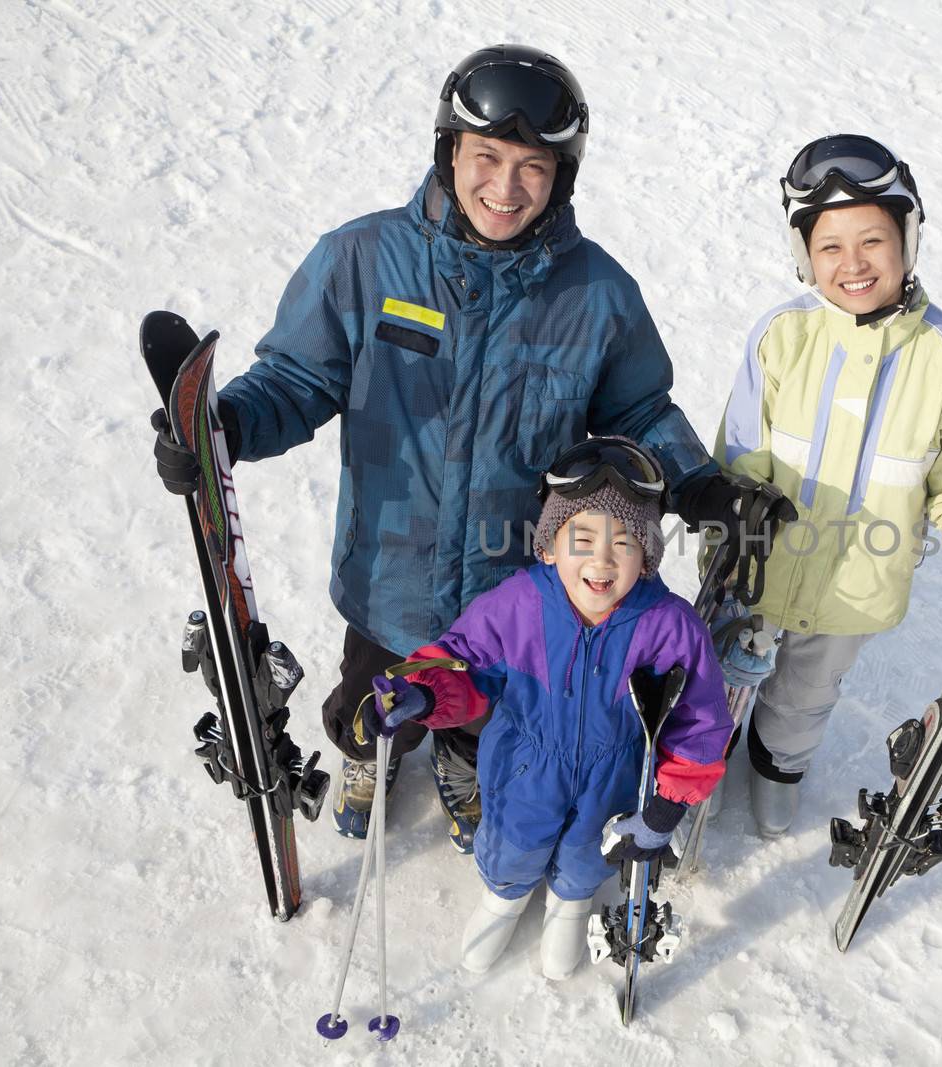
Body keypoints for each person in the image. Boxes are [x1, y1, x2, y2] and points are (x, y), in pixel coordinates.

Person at [150, 44, 789, 841]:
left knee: (486, 707)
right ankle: (372, 754)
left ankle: (464, 764)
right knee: (371, 696)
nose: (506, 187)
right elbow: (297, 379)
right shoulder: (362, 260)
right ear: (449, 148)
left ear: (562, 179)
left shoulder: (596, 295)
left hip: (513, 591)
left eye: (534, 167)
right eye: (486, 156)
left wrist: (698, 485)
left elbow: (639, 410)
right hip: (389, 575)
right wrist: (228, 428)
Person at [709, 134, 942, 837]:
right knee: (717, 676)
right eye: (830, 246)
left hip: (855, 587)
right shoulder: (781, 337)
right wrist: (733, 524)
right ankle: (697, 769)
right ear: (805, 255)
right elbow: (740, 453)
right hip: (758, 573)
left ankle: (778, 763)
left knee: (807, 691)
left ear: (908, 240)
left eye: (873, 241)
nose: (853, 264)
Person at [364, 437, 732, 978]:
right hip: (525, 762)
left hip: (614, 770)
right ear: (551, 544)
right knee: (514, 837)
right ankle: (504, 898)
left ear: (648, 555)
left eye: (624, 542)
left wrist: (667, 805)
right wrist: (421, 693)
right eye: (581, 538)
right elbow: (463, 659)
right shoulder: (520, 602)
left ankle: (570, 903)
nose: (601, 561)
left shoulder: (668, 625)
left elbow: (700, 718)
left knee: (589, 851)